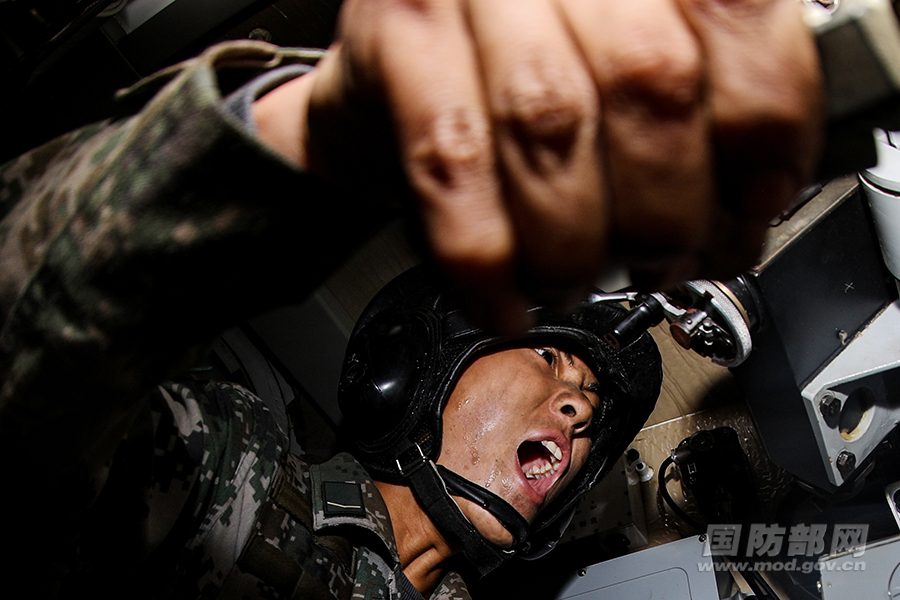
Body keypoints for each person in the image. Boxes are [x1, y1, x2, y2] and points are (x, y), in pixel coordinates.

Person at [0, 0, 822, 596]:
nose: (579, 415)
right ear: (412, 371)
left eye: (590, 409)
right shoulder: (226, 475)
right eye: (549, 357)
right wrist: (322, 130)